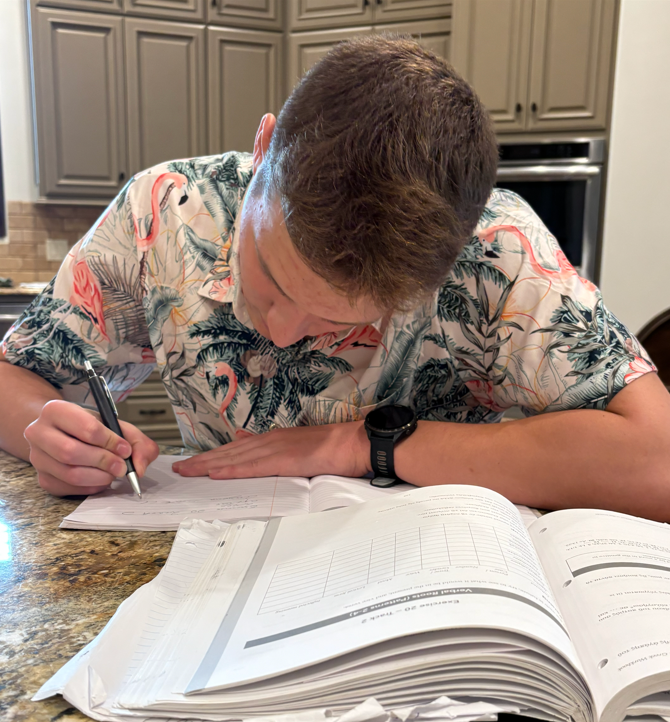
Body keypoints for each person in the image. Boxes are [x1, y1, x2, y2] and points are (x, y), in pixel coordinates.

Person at [1, 37, 668, 520]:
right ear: (262, 150)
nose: (285, 333)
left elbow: (657, 462)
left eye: (342, 322)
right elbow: (12, 377)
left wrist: (368, 444)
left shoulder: (498, 249)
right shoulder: (165, 213)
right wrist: (46, 428)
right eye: (270, 277)